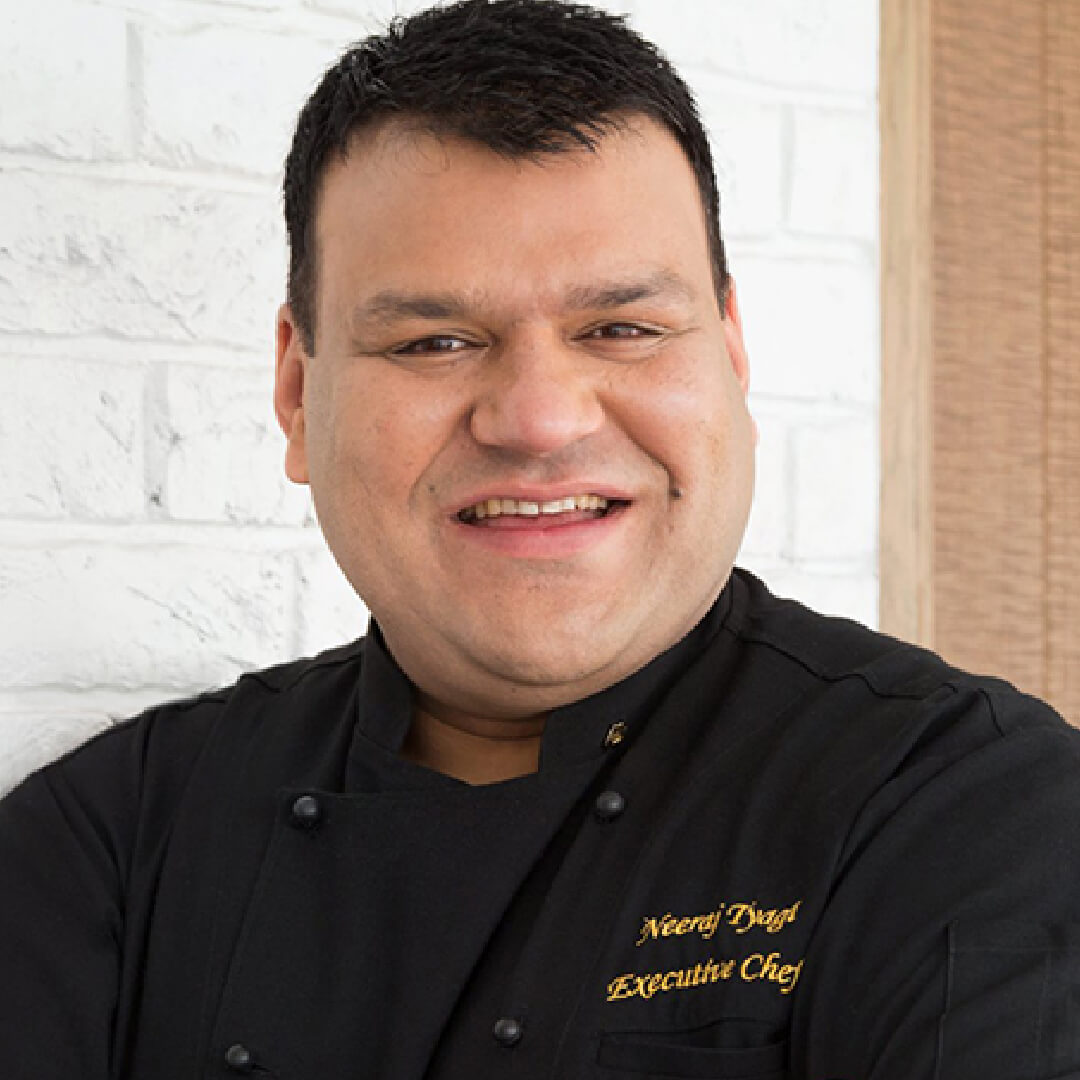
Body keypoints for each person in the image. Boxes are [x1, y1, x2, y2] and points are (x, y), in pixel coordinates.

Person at [1, 1, 1077, 1076]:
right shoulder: (113, 842)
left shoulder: (969, 809)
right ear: (295, 393)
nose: (540, 419)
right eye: (435, 341)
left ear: (731, 357)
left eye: (622, 329)